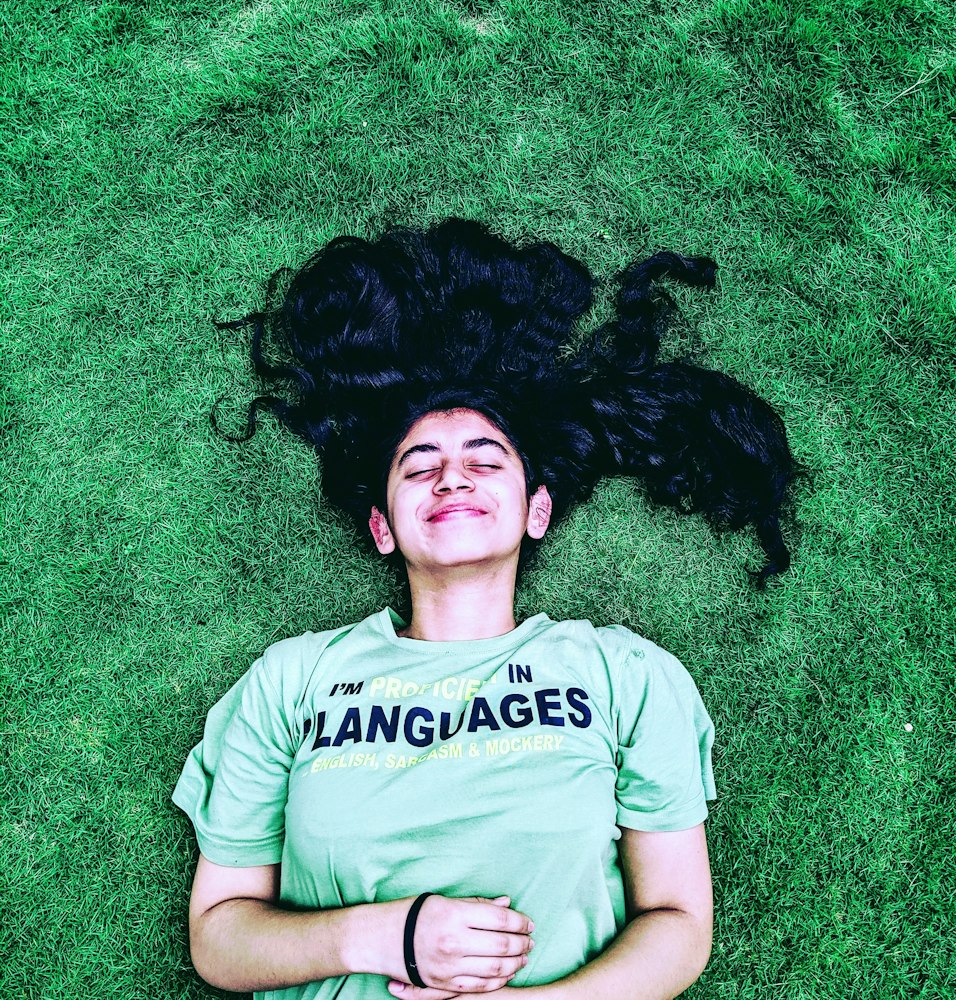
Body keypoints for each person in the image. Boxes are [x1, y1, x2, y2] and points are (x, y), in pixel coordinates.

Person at [172, 219, 798, 1000]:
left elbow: (677, 920)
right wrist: (394, 935)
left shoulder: (625, 674)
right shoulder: (290, 681)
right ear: (381, 527)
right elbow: (222, 937)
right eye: (418, 466)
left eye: (485, 460)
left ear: (536, 511)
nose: (451, 479)